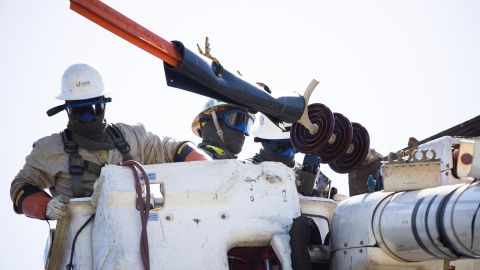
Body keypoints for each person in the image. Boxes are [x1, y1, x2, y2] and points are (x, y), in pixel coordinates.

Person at [10, 63, 211, 221]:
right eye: (79, 111)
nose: (87, 117)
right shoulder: (49, 150)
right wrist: (46, 207)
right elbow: (21, 187)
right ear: (67, 110)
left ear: (104, 105)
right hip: (84, 247)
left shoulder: (132, 136)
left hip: (144, 230)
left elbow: (174, 149)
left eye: (93, 109)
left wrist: (210, 170)